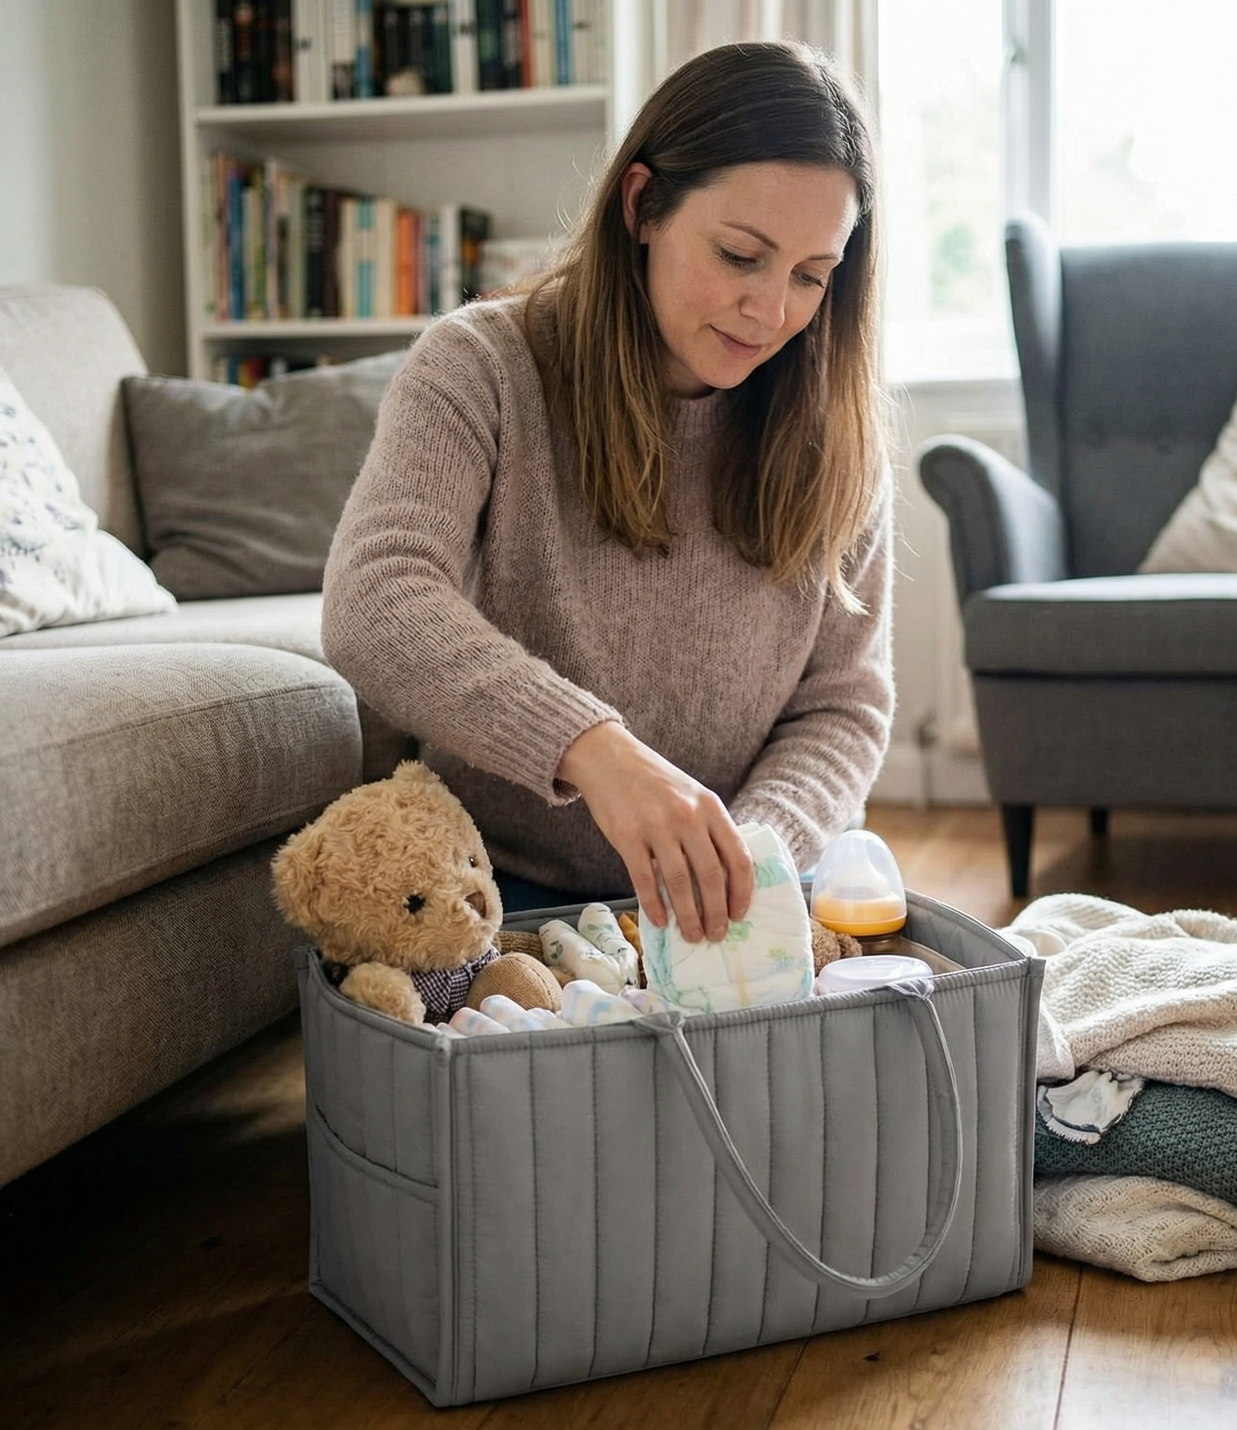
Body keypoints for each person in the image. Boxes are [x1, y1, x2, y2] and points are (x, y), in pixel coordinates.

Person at [322, 40, 894, 950]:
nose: (769, 310)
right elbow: (373, 598)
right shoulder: (480, 365)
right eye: (740, 254)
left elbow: (842, 704)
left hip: (725, 908)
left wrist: (744, 859)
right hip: (491, 892)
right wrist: (596, 753)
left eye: (810, 276)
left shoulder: (834, 435)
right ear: (643, 206)